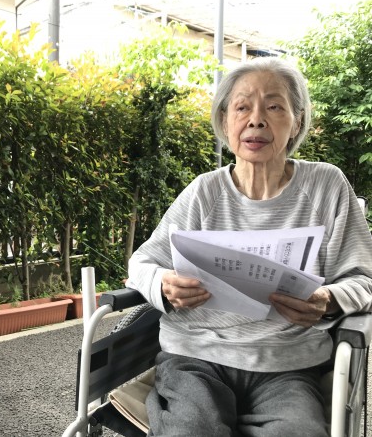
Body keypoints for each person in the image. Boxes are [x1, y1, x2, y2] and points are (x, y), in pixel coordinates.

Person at [126, 58, 372, 437]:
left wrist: (328, 299)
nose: (256, 120)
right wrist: (163, 284)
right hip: (195, 357)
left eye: (274, 107)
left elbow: (363, 279)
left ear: (297, 122)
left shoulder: (326, 186)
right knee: (191, 429)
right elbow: (142, 262)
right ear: (225, 121)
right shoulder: (204, 191)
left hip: (286, 365)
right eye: (242, 107)